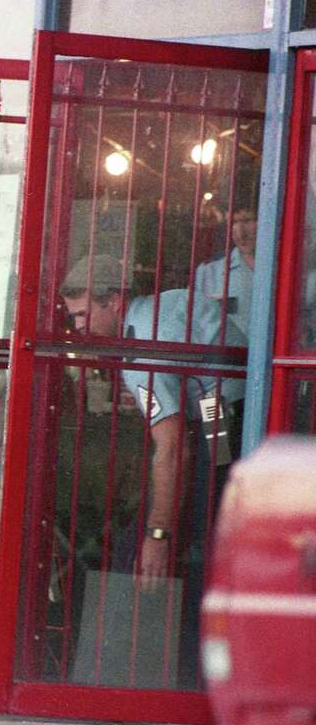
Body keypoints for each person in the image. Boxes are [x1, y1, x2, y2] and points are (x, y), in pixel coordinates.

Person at [58, 254, 247, 689]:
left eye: (84, 314)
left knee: (154, 552)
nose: (78, 327)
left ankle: (139, 686)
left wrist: (158, 536)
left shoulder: (145, 340)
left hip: (220, 422)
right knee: (198, 541)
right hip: (225, 419)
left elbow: (173, 447)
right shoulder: (169, 307)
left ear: (117, 301)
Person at [193, 202, 256, 339]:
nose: (240, 233)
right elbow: (195, 326)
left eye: (248, 221)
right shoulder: (208, 272)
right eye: (233, 222)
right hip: (227, 358)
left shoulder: (293, 272)